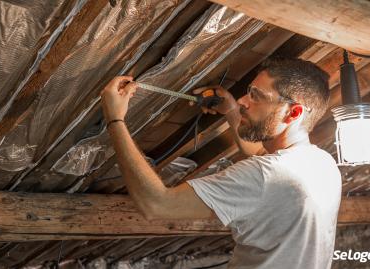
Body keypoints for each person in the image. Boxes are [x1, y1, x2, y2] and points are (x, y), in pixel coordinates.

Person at [100, 58, 341, 269]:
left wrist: (115, 119)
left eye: (257, 96)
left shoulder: (264, 175)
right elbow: (261, 160)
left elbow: (157, 204)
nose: (243, 100)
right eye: (249, 91)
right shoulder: (322, 165)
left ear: (293, 113)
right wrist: (231, 110)